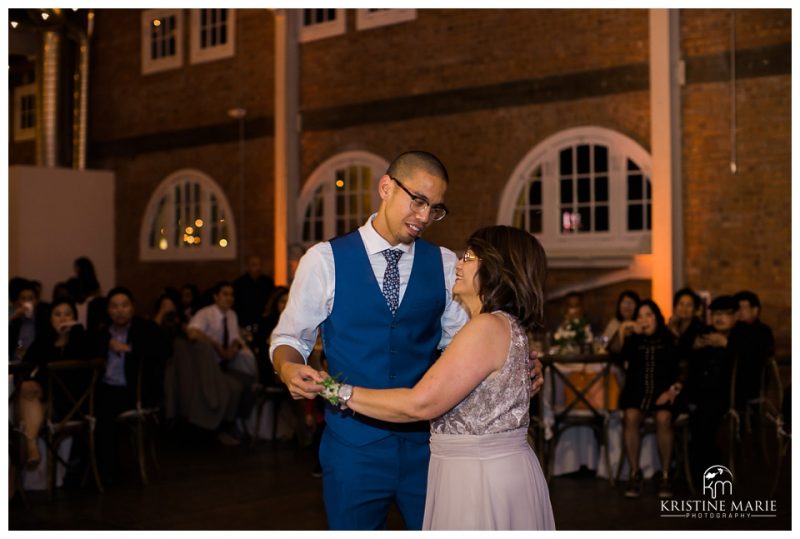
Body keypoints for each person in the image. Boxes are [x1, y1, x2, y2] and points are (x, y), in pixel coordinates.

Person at [271, 151, 542, 530]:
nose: (424, 217)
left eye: (435, 209)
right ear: (386, 187)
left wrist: (514, 366)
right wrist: (287, 367)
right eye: (418, 201)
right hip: (353, 446)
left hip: (428, 447)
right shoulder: (324, 259)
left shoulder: (449, 264)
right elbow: (290, 337)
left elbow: (468, 344)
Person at [314, 226, 554, 530]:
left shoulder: (485, 328)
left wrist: (332, 389)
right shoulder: (505, 326)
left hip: (479, 477)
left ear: (495, 268)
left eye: (468, 256)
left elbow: (420, 404)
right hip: (490, 469)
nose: (458, 264)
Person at [93, 287, 169, 484]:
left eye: (124, 305)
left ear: (132, 308)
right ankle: (88, 470)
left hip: (134, 390)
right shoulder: (102, 334)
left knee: (104, 413)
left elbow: (162, 350)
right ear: (108, 311)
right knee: (89, 408)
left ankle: (108, 473)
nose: (120, 311)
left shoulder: (144, 328)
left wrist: (128, 348)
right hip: (105, 387)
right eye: (114, 306)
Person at [15, 298, 93, 469]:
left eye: (67, 314)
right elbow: (25, 362)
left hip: (74, 401)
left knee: (26, 412)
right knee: (25, 388)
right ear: (50, 319)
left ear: (75, 317)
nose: (63, 319)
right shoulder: (44, 341)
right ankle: (32, 448)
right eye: (57, 314)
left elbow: (88, 366)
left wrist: (74, 331)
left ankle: (29, 449)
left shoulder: (82, 339)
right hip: (46, 396)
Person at [617, 299, 682, 499]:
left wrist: (672, 391)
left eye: (648, 315)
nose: (644, 320)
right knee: (630, 416)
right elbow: (613, 354)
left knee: (663, 418)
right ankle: (635, 473)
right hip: (636, 393)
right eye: (639, 316)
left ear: (657, 317)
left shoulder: (669, 338)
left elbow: (682, 369)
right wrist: (624, 329)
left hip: (664, 393)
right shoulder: (633, 340)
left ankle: (665, 474)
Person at [188, 281, 258, 445]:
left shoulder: (231, 315)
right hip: (207, 367)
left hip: (226, 364)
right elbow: (192, 332)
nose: (229, 298)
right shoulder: (206, 314)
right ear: (216, 296)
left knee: (250, 382)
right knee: (234, 387)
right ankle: (222, 427)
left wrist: (232, 349)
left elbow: (234, 338)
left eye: (231, 294)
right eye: (225, 294)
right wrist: (217, 346)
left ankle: (236, 422)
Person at [686, 295, 738, 479]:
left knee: (704, 418)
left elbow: (751, 361)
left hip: (728, 397)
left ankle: (707, 471)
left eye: (725, 314)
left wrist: (726, 344)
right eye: (716, 313)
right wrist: (693, 348)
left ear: (735, 316)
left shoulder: (742, 335)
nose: (719, 318)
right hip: (695, 394)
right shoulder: (703, 334)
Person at [732, 290, 775, 407]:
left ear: (755, 310)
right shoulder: (733, 329)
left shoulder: (763, 331)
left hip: (751, 383)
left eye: (742, 308)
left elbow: (757, 357)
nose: (738, 312)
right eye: (736, 309)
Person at [233, 255, 276, 336]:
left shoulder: (267, 282)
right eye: (254, 265)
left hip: (263, 320)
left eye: (259, 265)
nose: (257, 268)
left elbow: (272, 299)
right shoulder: (239, 283)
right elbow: (236, 303)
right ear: (248, 266)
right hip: (244, 320)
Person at [9, 278, 50, 363]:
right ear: (18, 301)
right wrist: (12, 319)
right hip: (14, 363)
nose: (27, 302)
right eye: (23, 298)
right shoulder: (15, 320)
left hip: (35, 363)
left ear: (37, 301)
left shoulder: (44, 320)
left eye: (31, 298)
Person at [601, 290, 640, 357]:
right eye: (624, 302)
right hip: (612, 361)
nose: (627, 305)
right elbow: (602, 343)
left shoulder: (639, 324)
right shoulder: (614, 323)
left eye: (631, 302)